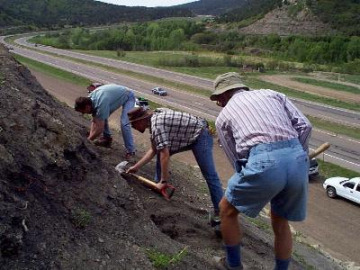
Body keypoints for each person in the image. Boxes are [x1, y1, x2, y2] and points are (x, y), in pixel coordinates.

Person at [210, 72, 312, 270]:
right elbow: (305, 125)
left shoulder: (223, 117)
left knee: (226, 210)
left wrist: (255, 174)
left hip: (263, 161)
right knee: (281, 223)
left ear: (223, 96)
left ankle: (233, 265)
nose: (220, 104)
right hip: (298, 160)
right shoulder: (272, 94)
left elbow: (236, 159)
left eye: (219, 100)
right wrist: (299, 153)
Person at [125, 107, 224, 232]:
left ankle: (222, 216)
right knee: (161, 151)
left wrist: (164, 181)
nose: (133, 127)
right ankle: (159, 184)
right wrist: (135, 167)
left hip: (200, 134)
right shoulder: (153, 123)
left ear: (141, 120)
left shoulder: (157, 125)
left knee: (210, 175)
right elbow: (154, 150)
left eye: (133, 124)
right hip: (187, 135)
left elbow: (164, 154)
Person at [74, 83, 136, 159]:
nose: (83, 113)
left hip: (128, 96)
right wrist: (90, 137)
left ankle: (131, 151)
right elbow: (95, 120)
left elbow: (100, 129)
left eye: (83, 111)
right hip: (114, 95)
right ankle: (107, 140)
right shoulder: (89, 100)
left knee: (124, 123)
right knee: (102, 116)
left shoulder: (101, 103)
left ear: (87, 107)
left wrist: (88, 141)